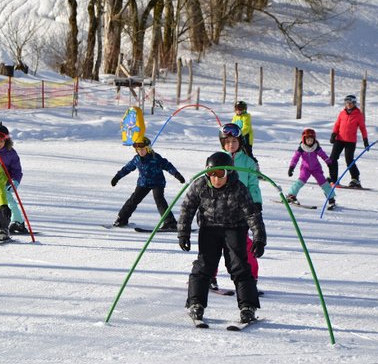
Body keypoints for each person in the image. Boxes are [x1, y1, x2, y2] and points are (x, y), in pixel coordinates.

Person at [178, 152, 266, 324]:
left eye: (220, 174)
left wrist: (259, 238)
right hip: (209, 229)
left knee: (239, 266)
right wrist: (183, 233)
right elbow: (187, 208)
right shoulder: (200, 185)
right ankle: (196, 303)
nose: (216, 179)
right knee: (204, 266)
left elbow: (252, 214)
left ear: (229, 173)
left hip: (235, 229)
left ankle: (248, 306)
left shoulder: (239, 188)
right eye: (211, 174)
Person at [209, 123, 262, 292]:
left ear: (240, 142)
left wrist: (256, 202)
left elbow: (253, 184)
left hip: (241, 210)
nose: (230, 145)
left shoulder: (247, 162)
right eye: (227, 141)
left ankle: (250, 278)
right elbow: (208, 183)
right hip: (219, 210)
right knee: (214, 246)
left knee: (244, 246)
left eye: (234, 141)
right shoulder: (217, 160)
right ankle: (210, 276)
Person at [111, 136, 185, 229]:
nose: (140, 152)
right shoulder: (137, 159)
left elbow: (168, 166)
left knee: (159, 200)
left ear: (148, 149)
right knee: (133, 200)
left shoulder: (156, 157)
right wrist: (117, 177)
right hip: (143, 183)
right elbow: (127, 168)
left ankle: (170, 222)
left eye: (143, 149)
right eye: (138, 150)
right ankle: (122, 219)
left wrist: (177, 175)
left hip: (157, 183)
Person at [286, 128, 336, 208]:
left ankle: (331, 198)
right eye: (308, 140)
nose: (310, 142)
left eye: (311, 140)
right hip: (305, 168)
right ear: (304, 139)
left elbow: (323, 155)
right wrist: (292, 167)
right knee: (300, 181)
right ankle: (291, 195)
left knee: (323, 182)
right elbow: (295, 158)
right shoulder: (301, 148)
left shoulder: (316, 148)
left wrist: (329, 163)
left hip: (316, 168)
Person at [328, 94, 369, 188]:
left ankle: (355, 179)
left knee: (349, 160)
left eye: (350, 103)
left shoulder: (358, 114)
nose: (348, 105)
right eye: (347, 103)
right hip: (339, 139)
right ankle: (333, 179)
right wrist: (334, 134)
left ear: (354, 103)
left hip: (350, 141)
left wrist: (365, 140)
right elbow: (337, 124)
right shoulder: (342, 113)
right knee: (332, 158)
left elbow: (363, 128)